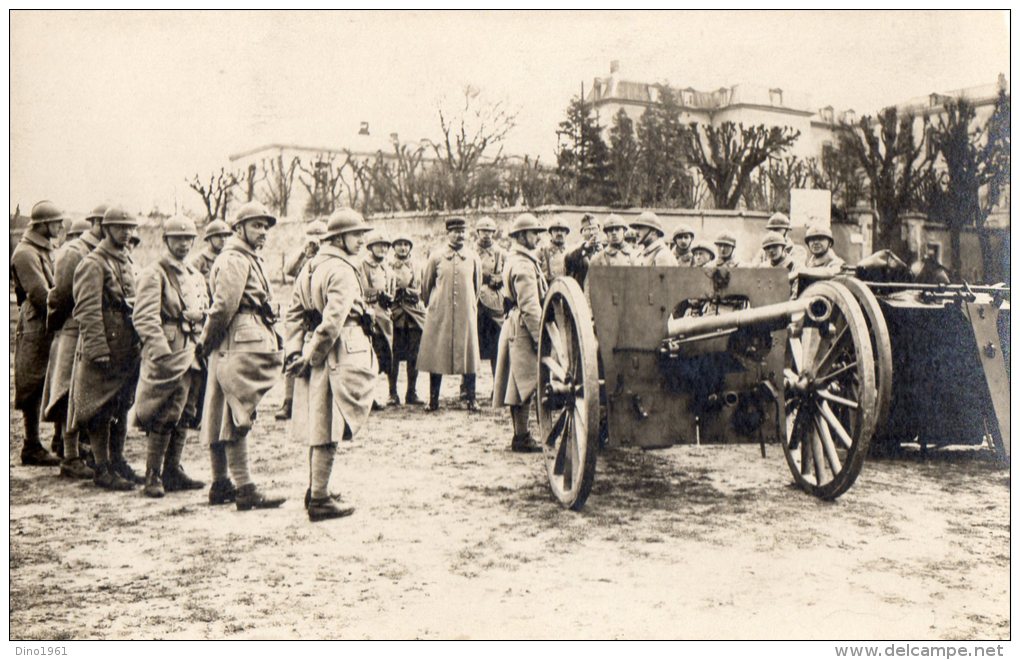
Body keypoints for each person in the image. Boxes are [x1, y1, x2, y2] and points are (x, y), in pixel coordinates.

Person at [284, 208, 373, 522]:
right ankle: (320, 498)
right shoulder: (343, 269)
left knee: (318, 422)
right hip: (336, 352)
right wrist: (311, 357)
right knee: (329, 426)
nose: (362, 240)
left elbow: (293, 316)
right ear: (338, 238)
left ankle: (316, 488)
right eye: (356, 234)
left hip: (314, 347)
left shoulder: (309, 267)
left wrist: (297, 352)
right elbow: (334, 321)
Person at [197, 200, 286, 510]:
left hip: (232, 339)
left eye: (265, 226)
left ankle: (221, 483)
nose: (262, 232)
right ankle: (245, 487)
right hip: (235, 339)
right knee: (237, 411)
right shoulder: (234, 259)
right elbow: (223, 307)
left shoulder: (245, 256)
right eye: (256, 225)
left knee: (222, 410)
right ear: (239, 228)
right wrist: (206, 341)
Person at [132, 216, 209, 497]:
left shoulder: (194, 274)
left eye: (188, 238)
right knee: (164, 410)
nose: (183, 244)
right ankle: (152, 474)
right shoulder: (155, 273)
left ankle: (173, 469)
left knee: (186, 410)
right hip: (169, 350)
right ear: (166, 241)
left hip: (192, 349)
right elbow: (144, 317)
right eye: (177, 238)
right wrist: (160, 352)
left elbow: (204, 307)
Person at [69, 205, 144, 489]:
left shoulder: (126, 261)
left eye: (130, 228)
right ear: (106, 228)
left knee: (122, 404)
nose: (126, 233)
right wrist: (98, 349)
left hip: (126, 346)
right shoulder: (93, 263)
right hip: (104, 347)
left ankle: (118, 460)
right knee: (99, 407)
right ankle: (101, 467)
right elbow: (87, 310)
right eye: (120, 227)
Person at [42, 203, 107, 477]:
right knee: (69, 392)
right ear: (96, 223)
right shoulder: (74, 251)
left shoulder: (111, 253)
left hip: (96, 330)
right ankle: (70, 455)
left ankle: (85, 451)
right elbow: (59, 297)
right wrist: (59, 327)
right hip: (73, 329)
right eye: (108, 224)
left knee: (90, 393)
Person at [12, 201, 65, 467]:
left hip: (51, 322)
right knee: (32, 382)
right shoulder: (25, 253)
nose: (60, 226)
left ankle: (59, 439)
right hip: (35, 324)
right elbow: (39, 294)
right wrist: (63, 311)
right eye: (56, 222)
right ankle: (31, 445)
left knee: (55, 378)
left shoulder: (45, 249)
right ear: (42, 224)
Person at [492, 213, 548, 453]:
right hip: (524, 327)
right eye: (534, 232)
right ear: (522, 235)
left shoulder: (518, 258)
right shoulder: (523, 264)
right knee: (525, 382)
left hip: (515, 323)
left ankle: (520, 435)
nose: (537, 237)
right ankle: (522, 436)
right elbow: (530, 306)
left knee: (518, 383)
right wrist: (541, 338)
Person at [417, 216, 482, 412]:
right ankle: (433, 399)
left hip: (465, 313)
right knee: (437, 355)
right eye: (455, 231)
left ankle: (471, 398)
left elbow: (476, 287)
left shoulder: (473, 257)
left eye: (462, 231)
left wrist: (468, 305)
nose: (459, 235)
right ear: (448, 233)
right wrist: (435, 306)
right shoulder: (436, 257)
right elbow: (426, 286)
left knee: (468, 354)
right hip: (440, 313)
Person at [275, 220, 328, 420]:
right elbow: (288, 270)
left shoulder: (327, 256)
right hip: (300, 311)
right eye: (312, 235)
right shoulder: (303, 254)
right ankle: (288, 401)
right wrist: (304, 251)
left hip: (320, 310)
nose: (316, 241)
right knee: (293, 352)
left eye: (320, 236)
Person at [388, 234, 427, 406]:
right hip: (395, 313)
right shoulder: (387, 266)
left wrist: (410, 293)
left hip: (414, 314)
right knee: (394, 355)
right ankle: (392, 393)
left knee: (414, 354)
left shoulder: (419, 266)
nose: (403, 248)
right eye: (399, 244)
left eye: (406, 245)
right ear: (393, 248)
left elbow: (423, 288)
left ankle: (412, 392)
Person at [360, 230, 395, 411]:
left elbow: (392, 288)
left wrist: (389, 297)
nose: (382, 249)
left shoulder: (387, 267)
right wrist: (378, 295)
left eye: (386, 246)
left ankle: (385, 393)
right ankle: (368, 397)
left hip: (385, 318)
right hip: (370, 318)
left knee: (383, 358)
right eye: (379, 245)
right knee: (369, 359)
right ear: (370, 247)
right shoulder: (363, 266)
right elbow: (362, 290)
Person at [473, 216, 507, 384]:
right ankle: (467, 386)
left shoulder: (501, 252)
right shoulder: (470, 251)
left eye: (490, 231)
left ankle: (497, 385)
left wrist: (499, 279)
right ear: (477, 232)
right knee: (471, 345)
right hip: (474, 302)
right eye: (483, 231)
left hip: (494, 302)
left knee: (496, 345)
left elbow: (507, 274)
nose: (486, 235)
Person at [564, 213, 603, 286]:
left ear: (599, 230)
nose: (591, 233)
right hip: (580, 290)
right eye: (587, 229)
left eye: (594, 228)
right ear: (582, 232)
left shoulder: (604, 247)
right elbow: (569, 259)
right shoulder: (575, 248)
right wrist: (586, 247)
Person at [538, 216, 569, 282]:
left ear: (566, 233)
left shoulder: (571, 252)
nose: (559, 233)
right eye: (556, 230)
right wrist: (544, 276)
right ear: (551, 233)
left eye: (562, 230)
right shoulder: (541, 252)